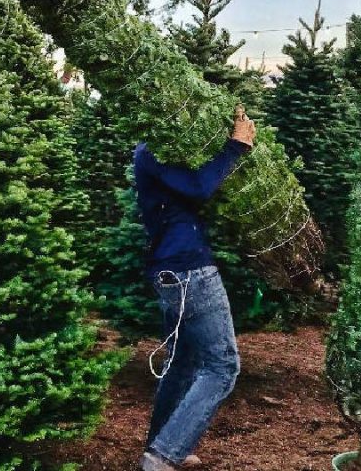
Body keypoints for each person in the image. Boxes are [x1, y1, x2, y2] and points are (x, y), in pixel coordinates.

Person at [135, 107, 256, 471]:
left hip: (173, 269)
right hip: (189, 270)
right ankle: (163, 456)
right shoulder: (153, 151)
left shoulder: (151, 151)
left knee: (184, 361)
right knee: (223, 366)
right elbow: (200, 186)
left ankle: (163, 443)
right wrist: (235, 147)